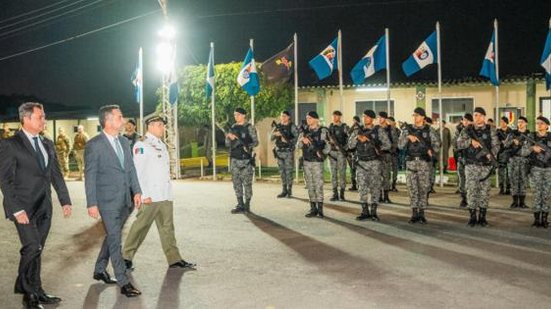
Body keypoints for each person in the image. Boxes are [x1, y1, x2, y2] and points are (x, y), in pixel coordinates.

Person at [0, 102, 72, 309]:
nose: (44, 120)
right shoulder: (10, 144)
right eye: (40, 117)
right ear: (26, 118)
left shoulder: (47, 143)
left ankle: (37, 290)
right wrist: (16, 209)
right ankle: (26, 289)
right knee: (32, 246)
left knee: (38, 249)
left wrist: (64, 200)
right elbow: (5, 180)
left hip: (44, 206)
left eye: (44, 116)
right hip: (22, 207)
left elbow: (55, 175)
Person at [123, 115, 196, 270]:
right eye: (159, 125)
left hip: (164, 194)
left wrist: (169, 193)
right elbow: (138, 172)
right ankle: (125, 258)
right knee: (140, 227)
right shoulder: (142, 145)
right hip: (150, 196)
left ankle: (174, 259)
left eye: (163, 125)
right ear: (150, 126)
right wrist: (142, 195)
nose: (163, 128)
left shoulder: (160, 145)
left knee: (167, 228)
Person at [85, 105, 143, 297]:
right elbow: (90, 176)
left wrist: (137, 191)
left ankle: (100, 269)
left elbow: (131, 169)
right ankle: (123, 281)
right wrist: (91, 203)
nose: (123, 119)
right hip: (107, 201)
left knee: (112, 235)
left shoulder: (125, 142)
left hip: (125, 199)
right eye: (119, 117)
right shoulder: (94, 145)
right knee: (115, 239)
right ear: (108, 121)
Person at [457, 107, 499, 227]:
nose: (477, 117)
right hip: (471, 165)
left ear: (484, 117)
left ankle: (482, 217)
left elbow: (496, 145)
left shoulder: (491, 129)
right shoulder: (467, 130)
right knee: (471, 191)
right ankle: (472, 217)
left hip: (485, 166)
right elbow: (458, 144)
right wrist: (470, 142)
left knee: (484, 192)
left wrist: (491, 154)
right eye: (475, 115)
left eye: (480, 115)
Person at [398, 107, 440, 224]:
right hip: (411, 163)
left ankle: (422, 213)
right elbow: (400, 145)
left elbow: (437, 145)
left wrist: (429, 149)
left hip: (424, 164)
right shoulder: (407, 130)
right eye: (414, 115)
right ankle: (414, 213)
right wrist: (407, 137)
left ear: (422, 117)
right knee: (412, 189)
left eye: (417, 115)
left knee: (423, 188)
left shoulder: (429, 130)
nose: (415, 117)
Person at [348, 110, 391, 221]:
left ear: (372, 119)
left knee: (375, 187)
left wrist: (374, 145)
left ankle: (373, 212)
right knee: (362, 187)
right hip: (361, 162)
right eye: (363, 116)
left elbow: (387, 145)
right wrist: (357, 138)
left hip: (374, 163)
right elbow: (349, 145)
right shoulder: (357, 130)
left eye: (367, 117)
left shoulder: (378, 130)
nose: (364, 118)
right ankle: (364, 211)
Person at [297, 111, 331, 218]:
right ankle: (313, 208)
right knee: (310, 186)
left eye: (310, 118)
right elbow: (297, 145)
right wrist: (303, 140)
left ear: (316, 119)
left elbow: (328, 146)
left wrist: (322, 154)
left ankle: (320, 209)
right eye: (307, 118)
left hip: (317, 162)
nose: (308, 120)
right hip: (307, 161)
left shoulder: (323, 131)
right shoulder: (304, 132)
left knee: (318, 185)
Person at [226, 107, 258, 214]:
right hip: (234, 159)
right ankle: (240, 204)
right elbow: (227, 144)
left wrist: (247, 146)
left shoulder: (249, 127)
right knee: (236, 183)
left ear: (244, 115)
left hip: (245, 161)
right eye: (235, 115)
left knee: (247, 184)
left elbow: (256, 142)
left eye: (238, 115)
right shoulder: (233, 127)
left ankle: (247, 205)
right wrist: (229, 138)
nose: (236, 117)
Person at [521, 116, 551, 228]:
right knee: (536, 194)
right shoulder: (531, 137)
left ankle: (544, 219)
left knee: (546, 195)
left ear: (547, 126)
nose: (539, 125)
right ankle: (537, 219)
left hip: (548, 169)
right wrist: (532, 148)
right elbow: (523, 152)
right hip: (535, 170)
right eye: (537, 123)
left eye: (542, 123)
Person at [270, 110, 298, 198]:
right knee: (282, 172)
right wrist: (275, 134)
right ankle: (284, 190)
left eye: (285, 116)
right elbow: (271, 138)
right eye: (281, 116)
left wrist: (289, 141)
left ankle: (289, 191)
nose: (283, 118)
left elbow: (297, 137)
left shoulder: (292, 126)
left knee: (289, 171)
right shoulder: (278, 126)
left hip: (288, 151)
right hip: (279, 152)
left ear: (289, 117)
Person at [504, 116, 531, 208]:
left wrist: (520, 144)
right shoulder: (512, 134)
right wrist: (512, 141)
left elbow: (531, 148)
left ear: (526, 123)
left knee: (523, 181)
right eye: (519, 122)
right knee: (513, 180)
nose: (520, 124)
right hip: (513, 160)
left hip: (524, 160)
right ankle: (515, 201)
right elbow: (505, 144)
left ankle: (522, 202)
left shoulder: (530, 135)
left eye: (522, 122)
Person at [327, 110, 349, 201]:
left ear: (340, 117)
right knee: (333, 174)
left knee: (342, 173)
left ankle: (342, 194)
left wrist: (345, 149)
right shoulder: (330, 127)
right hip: (332, 153)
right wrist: (329, 142)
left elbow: (350, 138)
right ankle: (335, 193)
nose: (334, 117)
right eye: (333, 116)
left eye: (336, 116)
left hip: (341, 153)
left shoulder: (344, 127)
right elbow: (325, 138)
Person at [377, 111, 397, 203]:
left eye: (381, 117)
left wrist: (391, 151)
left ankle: (386, 196)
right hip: (377, 155)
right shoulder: (376, 129)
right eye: (378, 117)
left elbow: (395, 142)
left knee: (386, 176)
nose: (379, 119)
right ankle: (379, 196)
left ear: (385, 119)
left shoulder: (390, 129)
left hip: (387, 155)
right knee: (377, 176)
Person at [453, 113, 473, 207]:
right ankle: (464, 198)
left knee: (471, 179)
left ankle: (471, 198)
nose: (465, 122)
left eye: (467, 120)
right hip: (461, 157)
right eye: (464, 120)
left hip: (472, 159)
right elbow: (455, 143)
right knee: (462, 178)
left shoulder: (474, 130)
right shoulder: (458, 130)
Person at [496, 116, 512, 195]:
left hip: (509, 154)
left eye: (503, 122)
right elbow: (495, 142)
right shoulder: (497, 132)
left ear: (506, 123)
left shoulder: (511, 132)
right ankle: (501, 188)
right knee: (501, 172)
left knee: (509, 172)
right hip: (501, 153)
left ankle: (508, 188)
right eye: (501, 122)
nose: (501, 123)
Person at [347, 115, 361, 191]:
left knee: (358, 170)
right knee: (353, 169)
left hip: (358, 152)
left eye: (354, 121)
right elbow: (348, 133)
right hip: (353, 152)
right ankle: (354, 185)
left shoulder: (360, 128)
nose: (353, 122)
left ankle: (358, 185)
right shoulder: (353, 128)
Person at [388, 116, 401, 192]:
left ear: (393, 122)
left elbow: (399, 141)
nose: (388, 123)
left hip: (395, 153)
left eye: (390, 121)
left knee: (395, 169)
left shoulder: (397, 131)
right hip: (388, 153)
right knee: (388, 170)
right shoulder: (385, 130)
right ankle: (388, 185)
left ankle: (393, 185)